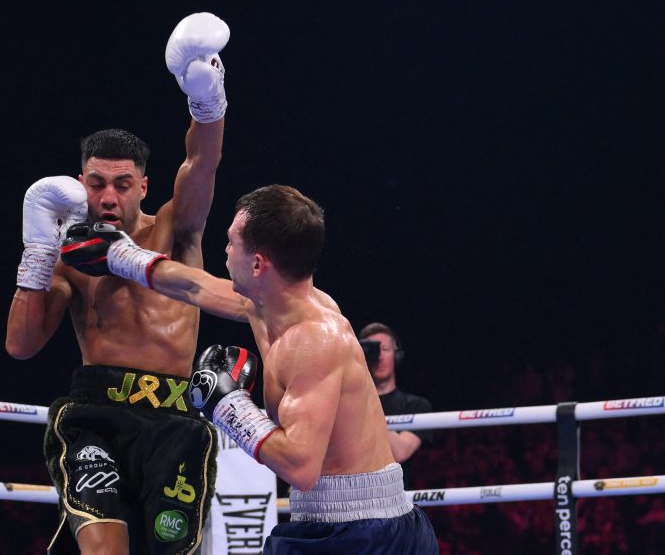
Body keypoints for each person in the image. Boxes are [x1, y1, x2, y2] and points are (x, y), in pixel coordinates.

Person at [62, 185, 438, 553]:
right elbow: (196, 287)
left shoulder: (314, 340)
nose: (225, 250)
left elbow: (300, 466)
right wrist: (124, 257)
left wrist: (230, 407)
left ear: (258, 264)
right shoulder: (267, 305)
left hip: (364, 533)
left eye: (232, 242)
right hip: (332, 523)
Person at [5, 12, 229, 554]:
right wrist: (38, 251)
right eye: (97, 183)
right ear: (79, 182)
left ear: (143, 187)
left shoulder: (175, 229)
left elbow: (200, 162)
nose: (108, 197)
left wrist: (207, 102)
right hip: (94, 419)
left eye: (122, 184)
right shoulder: (68, 256)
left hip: (174, 423)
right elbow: (21, 345)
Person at [360, 322, 433, 489]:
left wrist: (367, 403)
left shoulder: (416, 406)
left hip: (398, 499)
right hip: (356, 496)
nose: (379, 356)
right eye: (372, 350)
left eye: (385, 349)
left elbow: (399, 453)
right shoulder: (348, 404)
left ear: (397, 355)